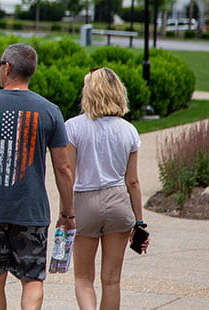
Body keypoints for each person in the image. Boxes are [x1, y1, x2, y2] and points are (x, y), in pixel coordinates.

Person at [0, 43, 75, 310]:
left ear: (7, 68)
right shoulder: (50, 111)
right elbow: (63, 168)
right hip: (31, 211)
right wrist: (68, 213)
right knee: (32, 280)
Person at [66, 67, 149, 310]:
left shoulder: (73, 127)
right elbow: (132, 181)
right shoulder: (129, 130)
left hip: (85, 201)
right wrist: (139, 222)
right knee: (111, 280)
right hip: (118, 203)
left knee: (83, 277)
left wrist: (65, 214)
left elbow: (68, 176)